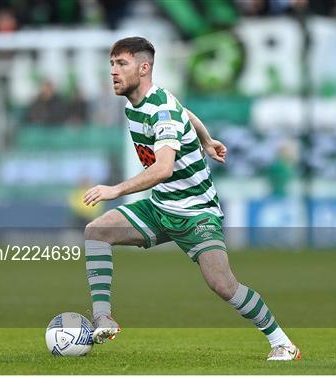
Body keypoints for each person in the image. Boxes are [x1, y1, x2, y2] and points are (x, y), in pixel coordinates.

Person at [82, 37, 301, 361]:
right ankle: (103, 317)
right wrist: (207, 139)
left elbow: (164, 168)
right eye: (112, 64)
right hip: (161, 207)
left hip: (196, 213)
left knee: (224, 285)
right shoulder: (139, 104)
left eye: (121, 64)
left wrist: (115, 190)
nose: (113, 71)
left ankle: (283, 343)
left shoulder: (161, 109)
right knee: (96, 232)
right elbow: (185, 111)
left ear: (144, 68)